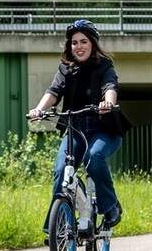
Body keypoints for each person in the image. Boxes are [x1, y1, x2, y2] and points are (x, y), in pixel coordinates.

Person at [27, 19, 124, 230]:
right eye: (74, 43)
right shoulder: (66, 69)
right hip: (75, 128)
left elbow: (110, 86)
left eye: (83, 42)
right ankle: (60, 227)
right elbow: (53, 92)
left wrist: (108, 102)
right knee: (62, 169)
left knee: (94, 158)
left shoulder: (104, 66)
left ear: (93, 44)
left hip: (103, 129)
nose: (78, 47)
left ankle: (110, 206)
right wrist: (39, 109)